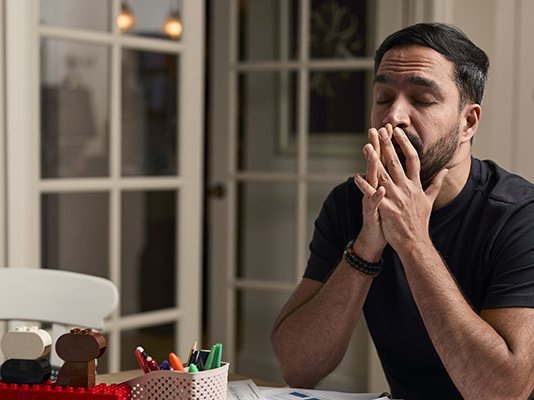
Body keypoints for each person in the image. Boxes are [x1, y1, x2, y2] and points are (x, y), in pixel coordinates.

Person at [271, 22, 534, 400]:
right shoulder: (350, 204)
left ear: (468, 122)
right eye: (382, 97)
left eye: (422, 100)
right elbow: (298, 366)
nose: (393, 116)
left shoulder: (520, 215)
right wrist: (365, 249)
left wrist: (413, 241)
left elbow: (503, 392)